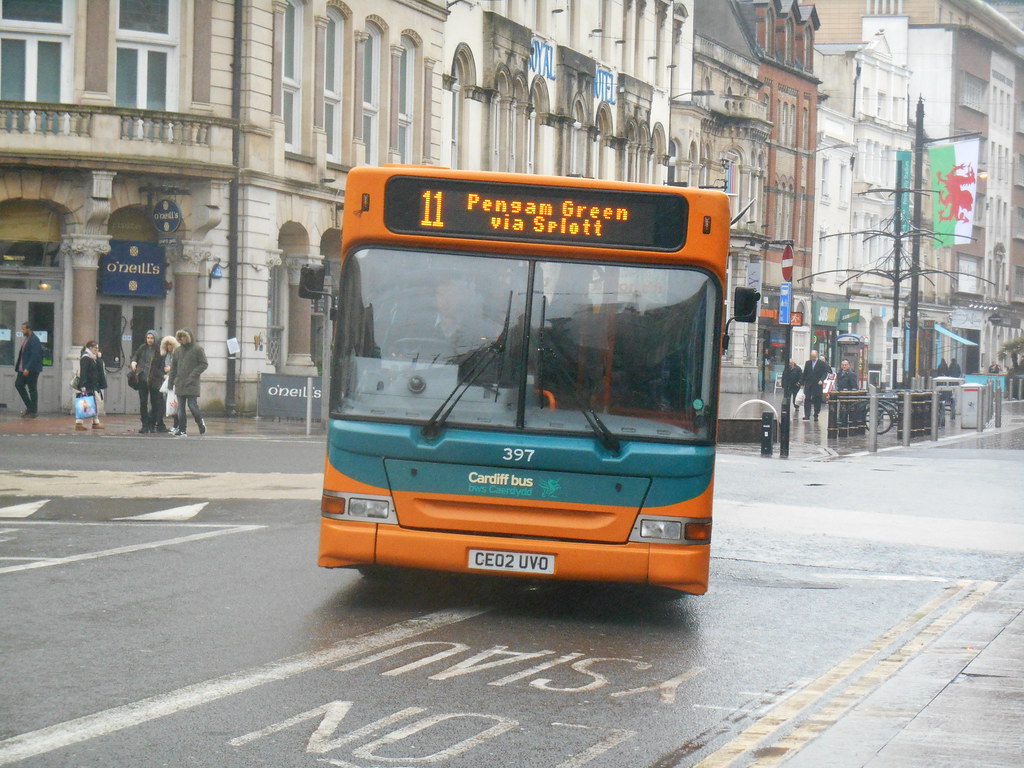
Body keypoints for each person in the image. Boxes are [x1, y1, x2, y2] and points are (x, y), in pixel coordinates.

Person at [168, 328, 208, 436]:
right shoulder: (177, 351)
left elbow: (204, 363)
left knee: (192, 406)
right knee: (180, 408)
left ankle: (200, 422)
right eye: (180, 337)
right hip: (180, 382)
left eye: (184, 337)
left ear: (189, 338)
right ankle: (182, 429)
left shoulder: (197, 349)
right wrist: (170, 382)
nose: (182, 339)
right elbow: (173, 368)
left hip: (191, 382)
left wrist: (194, 374)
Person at [130, 331, 166, 433]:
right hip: (142, 379)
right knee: (143, 403)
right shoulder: (143, 348)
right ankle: (144, 424)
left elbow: (161, 365)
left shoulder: (159, 350)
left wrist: (162, 373)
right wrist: (134, 361)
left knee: (155, 403)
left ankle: (152, 423)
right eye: (148, 338)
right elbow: (136, 356)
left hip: (154, 380)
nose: (149, 340)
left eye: (152, 338)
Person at [75, 340, 107, 431]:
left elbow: (99, 369)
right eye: (95, 348)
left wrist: (99, 358)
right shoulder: (85, 358)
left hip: (94, 385)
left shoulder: (94, 358)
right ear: (90, 348)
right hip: (88, 385)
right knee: (86, 404)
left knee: (96, 403)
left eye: (97, 348)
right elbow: (83, 372)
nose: (97, 350)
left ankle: (95, 421)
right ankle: (79, 422)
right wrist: (83, 385)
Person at [14, 322, 43, 418]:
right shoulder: (27, 339)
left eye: (23, 329)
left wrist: (27, 368)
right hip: (22, 369)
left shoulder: (34, 340)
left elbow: (34, 355)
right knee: (18, 384)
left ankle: (34, 411)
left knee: (32, 389)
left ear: (29, 329)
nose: (22, 331)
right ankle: (30, 407)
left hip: (31, 369)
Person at [801, 350, 830, 421]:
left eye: (814, 356)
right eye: (812, 356)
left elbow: (824, 373)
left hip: (817, 384)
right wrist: (801, 382)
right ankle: (807, 415)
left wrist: (821, 380)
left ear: (817, 355)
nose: (813, 358)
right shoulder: (808, 363)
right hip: (809, 384)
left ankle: (816, 414)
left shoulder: (821, 363)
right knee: (807, 399)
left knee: (817, 400)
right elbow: (805, 373)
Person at [160, 335, 180, 433]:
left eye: (171, 345)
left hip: (175, 381)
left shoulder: (177, 355)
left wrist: (170, 369)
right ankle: (175, 423)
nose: (170, 347)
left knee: (175, 404)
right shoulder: (165, 356)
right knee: (169, 402)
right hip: (166, 380)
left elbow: (179, 367)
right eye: (168, 345)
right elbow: (161, 367)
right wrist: (163, 374)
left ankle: (177, 423)